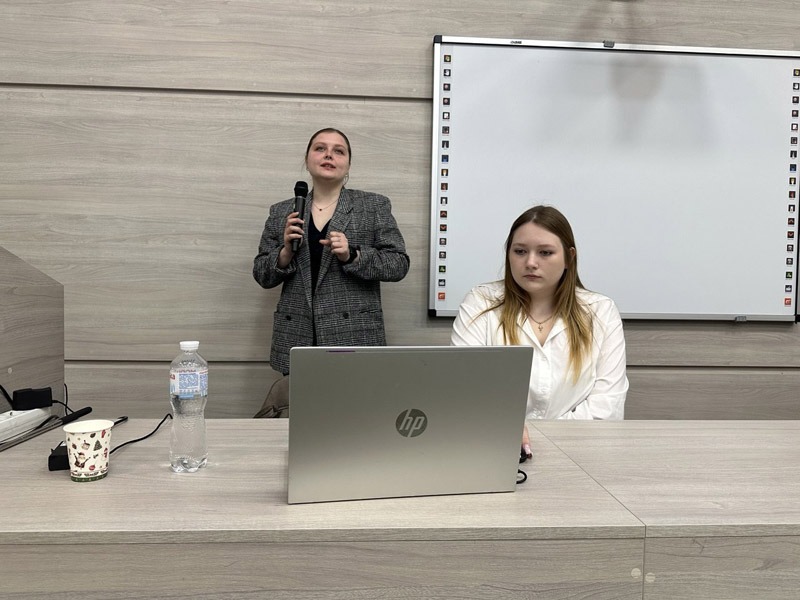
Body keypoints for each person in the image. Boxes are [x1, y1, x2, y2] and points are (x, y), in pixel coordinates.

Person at [450, 205, 628, 454]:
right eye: (520, 251)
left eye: (545, 252)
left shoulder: (600, 311)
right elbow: (465, 390)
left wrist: (536, 438)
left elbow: (607, 407)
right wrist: (509, 433)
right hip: (496, 449)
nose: (530, 262)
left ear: (569, 257)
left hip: (581, 450)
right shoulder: (481, 303)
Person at [253, 127, 410, 381]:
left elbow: (398, 264)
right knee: (302, 407)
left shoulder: (372, 206)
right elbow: (261, 274)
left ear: (348, 165)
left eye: (339, 151)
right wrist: (284, 253)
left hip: (354, 335)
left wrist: (352, 255)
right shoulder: (282, 212)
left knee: (355, 406)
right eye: (320, 148)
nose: (329, 155)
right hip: (298, 336)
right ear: (307, 160)